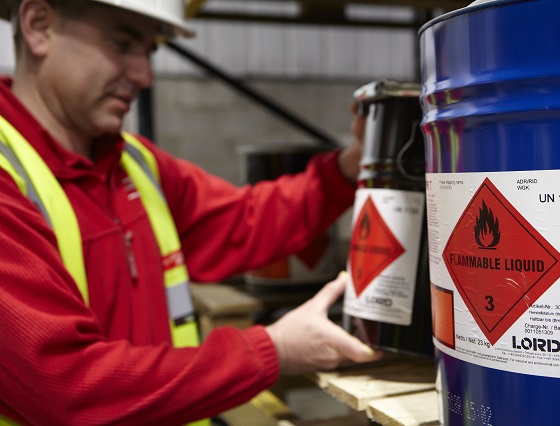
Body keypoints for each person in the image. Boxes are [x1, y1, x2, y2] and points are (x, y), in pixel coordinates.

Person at [0, 0, 380, 424]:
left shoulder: (135, 165)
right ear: (38, 26)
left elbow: (244, 222)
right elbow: (66, 387)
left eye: (149, 51)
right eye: (123, 43)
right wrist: (271, 350)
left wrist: (351, 166)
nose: (144, 75)